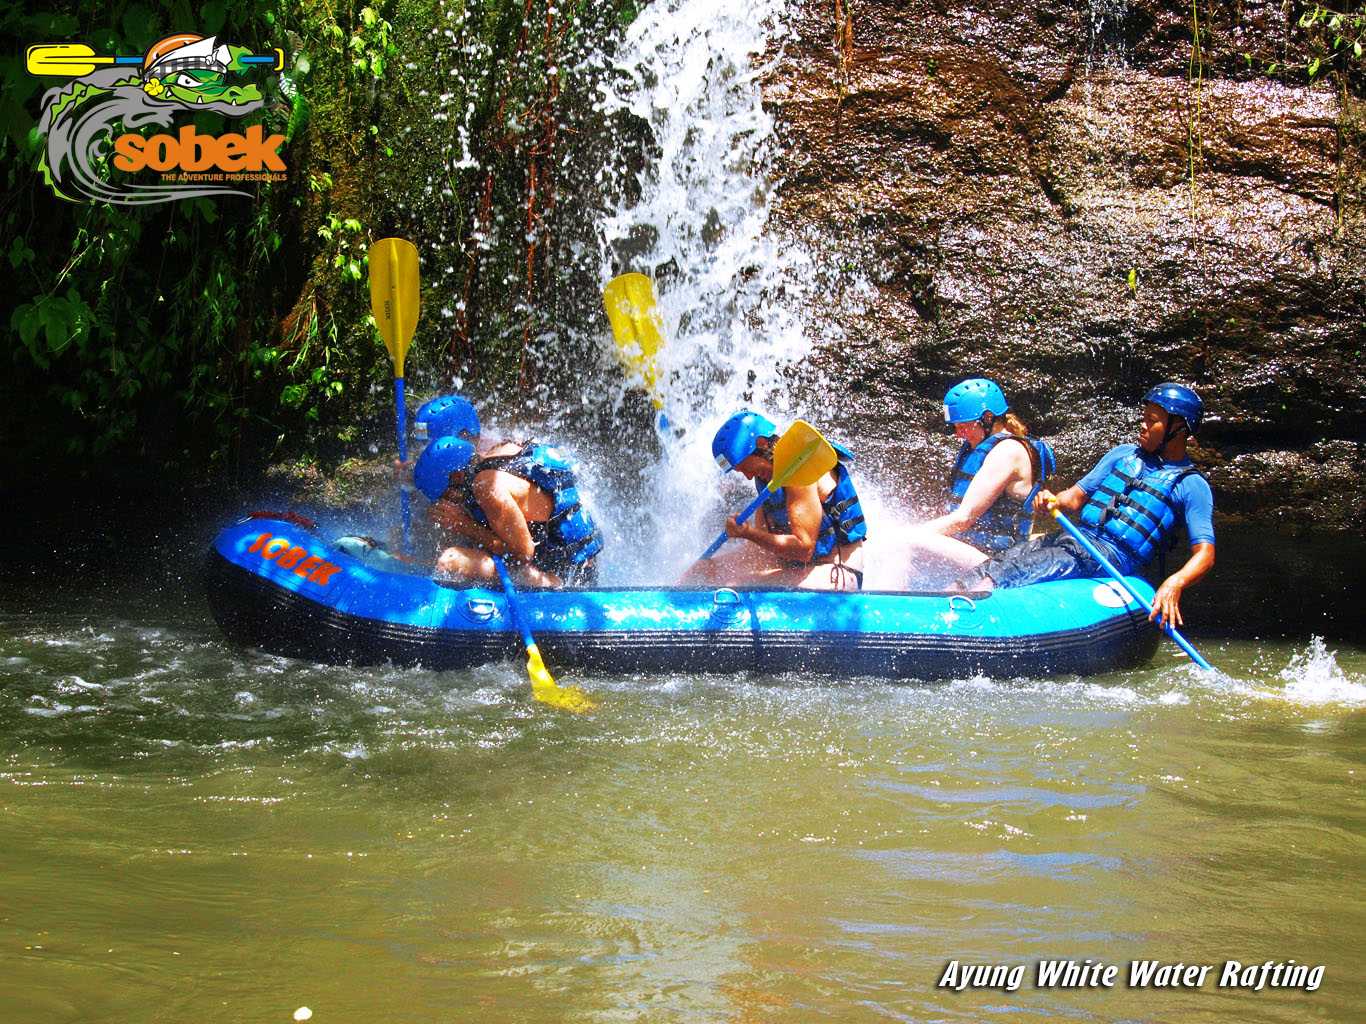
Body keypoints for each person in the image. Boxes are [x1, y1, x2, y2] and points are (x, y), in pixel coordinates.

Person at [953, 383, 1215, 628]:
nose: (1143, 426)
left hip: (1110, 556)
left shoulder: (1191, 484)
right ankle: (947, 597)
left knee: (1016, 570)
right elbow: (1074, 498)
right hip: (1076, 538)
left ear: (1179, 429)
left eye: (1152, 420)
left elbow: (1205, 554)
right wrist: (1051, 500)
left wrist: (1175, 582)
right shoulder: (1123, 454)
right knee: (999, 562)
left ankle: (966, 618)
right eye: (1143, 417)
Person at [680, 411, 868, 590]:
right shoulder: (766, 480)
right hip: (801, 571)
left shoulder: (799, 468)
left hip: (837, 572)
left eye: (745, 467)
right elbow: (759, 553)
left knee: (738, 587)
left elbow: (804, 549)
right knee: (707, 572)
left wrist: (748, 533)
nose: (748, 476)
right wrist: (710, 567)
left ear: (761, 444)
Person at [903, 378, 1056, 579]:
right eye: (955, 427)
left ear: (988, 418)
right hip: (973, 552)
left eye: (963, 426)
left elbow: (963, 519)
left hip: (999, 562)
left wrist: (905, 535)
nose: (958, 434)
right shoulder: (980, 448)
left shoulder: (1008, 452)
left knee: (905, 542)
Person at [413, 435, 604, 588]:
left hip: (570, 575)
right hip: (574, 557)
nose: (450, 502)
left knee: (451, 560)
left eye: (447, 495)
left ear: (456, 476)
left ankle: (552, 584)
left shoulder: (486, 486)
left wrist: (464, 525)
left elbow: (523, 555)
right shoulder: (494, 455)